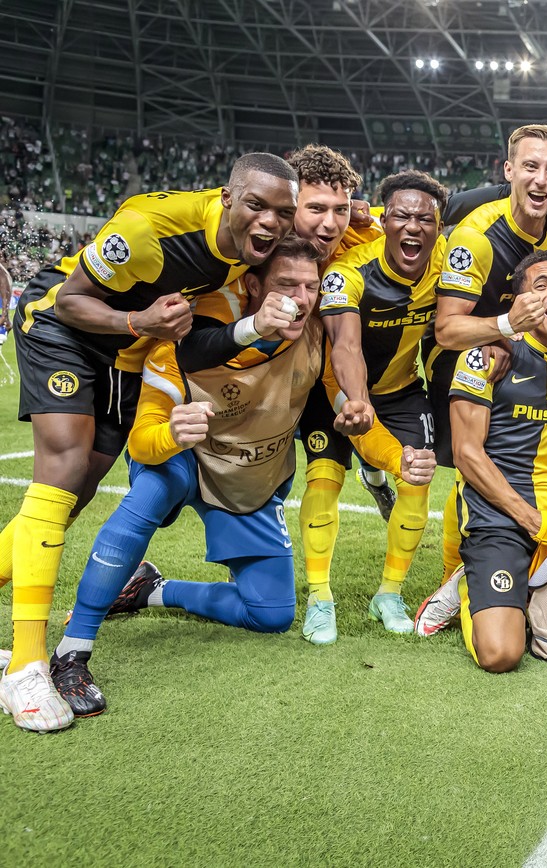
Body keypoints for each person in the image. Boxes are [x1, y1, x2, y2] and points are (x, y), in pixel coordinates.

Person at [45, 235, 433, 718]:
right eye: (286, 285)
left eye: (311, 286)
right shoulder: (188, 339)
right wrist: (171, 433)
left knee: (271, 614)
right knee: (152, 491)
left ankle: (149, 589)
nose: (301, 298)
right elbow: (142, 443)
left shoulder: (316, 337)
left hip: (250, 475)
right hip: (185, 461)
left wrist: (399, 460)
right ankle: (72, 652)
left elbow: (356, 416)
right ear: (252, 286)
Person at [0, 153, 299, 732]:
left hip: (128, 360)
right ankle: (28, 665)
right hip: (66, 329)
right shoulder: (149, 230)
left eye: (282, 213)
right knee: (63, 471)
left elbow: (328, 223)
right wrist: (139, 322)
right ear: (228, 198)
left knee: (76, 496)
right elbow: (69, 300)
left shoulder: (258, 248)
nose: (270, 221)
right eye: (256, 206)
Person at [432, 124, 547, 605]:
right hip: (467, 349)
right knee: (472, 458)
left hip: (519, 346)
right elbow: (446, 330)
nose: (541, 179)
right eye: (530, 167)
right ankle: (456, 575)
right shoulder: (476, 237)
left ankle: (532, 554)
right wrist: (504, 327)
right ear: (508, 171)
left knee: (535, 449)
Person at [298, 170, 450, 643]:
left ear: (439, 226)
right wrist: (358, 400)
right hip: (337, 391)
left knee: (418, 477)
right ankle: (319, 598)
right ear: (384, 221)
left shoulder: (449, 261)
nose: (413, 227)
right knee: (324, 480)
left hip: (402, 389)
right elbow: (345, 345)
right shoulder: (348, 273)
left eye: (425, 219)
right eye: (401, 216)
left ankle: (389, 593)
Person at [443, 250, 547, 673]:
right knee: (501, 655)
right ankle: (466, 585)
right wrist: (529, 519)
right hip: (498, 516)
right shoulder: (485, 357)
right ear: (520, 302)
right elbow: (466, 454)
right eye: (541, 286)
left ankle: (518, 591)